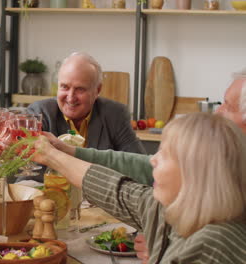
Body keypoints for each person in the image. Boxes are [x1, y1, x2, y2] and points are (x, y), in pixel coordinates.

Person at [42, 69, 246, 263]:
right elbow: (119, 191)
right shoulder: (177, 207)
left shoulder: (210, 246)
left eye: (228, 106)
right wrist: (56, 152)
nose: (152, 160)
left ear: (195, 172)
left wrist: (164, 250)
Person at [25, 52, 146, 182]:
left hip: (99, 198)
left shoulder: (115, 114)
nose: (71, 97)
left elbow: (140, 168)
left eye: (80, 89)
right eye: (65, 87)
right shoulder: (40, 113)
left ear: (97, 90)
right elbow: (29, 176)